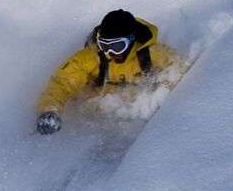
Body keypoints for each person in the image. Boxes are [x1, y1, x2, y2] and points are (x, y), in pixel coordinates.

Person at [35, 9, 176, 134]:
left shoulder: (152, 55)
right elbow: (62, 83)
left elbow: (178, 70)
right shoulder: (90, 57)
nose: (110, 52)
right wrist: (49, 110)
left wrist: (160, 95)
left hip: (138, 117)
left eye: (117, 46)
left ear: (131, 40)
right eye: (104, 45)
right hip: (96, 118)